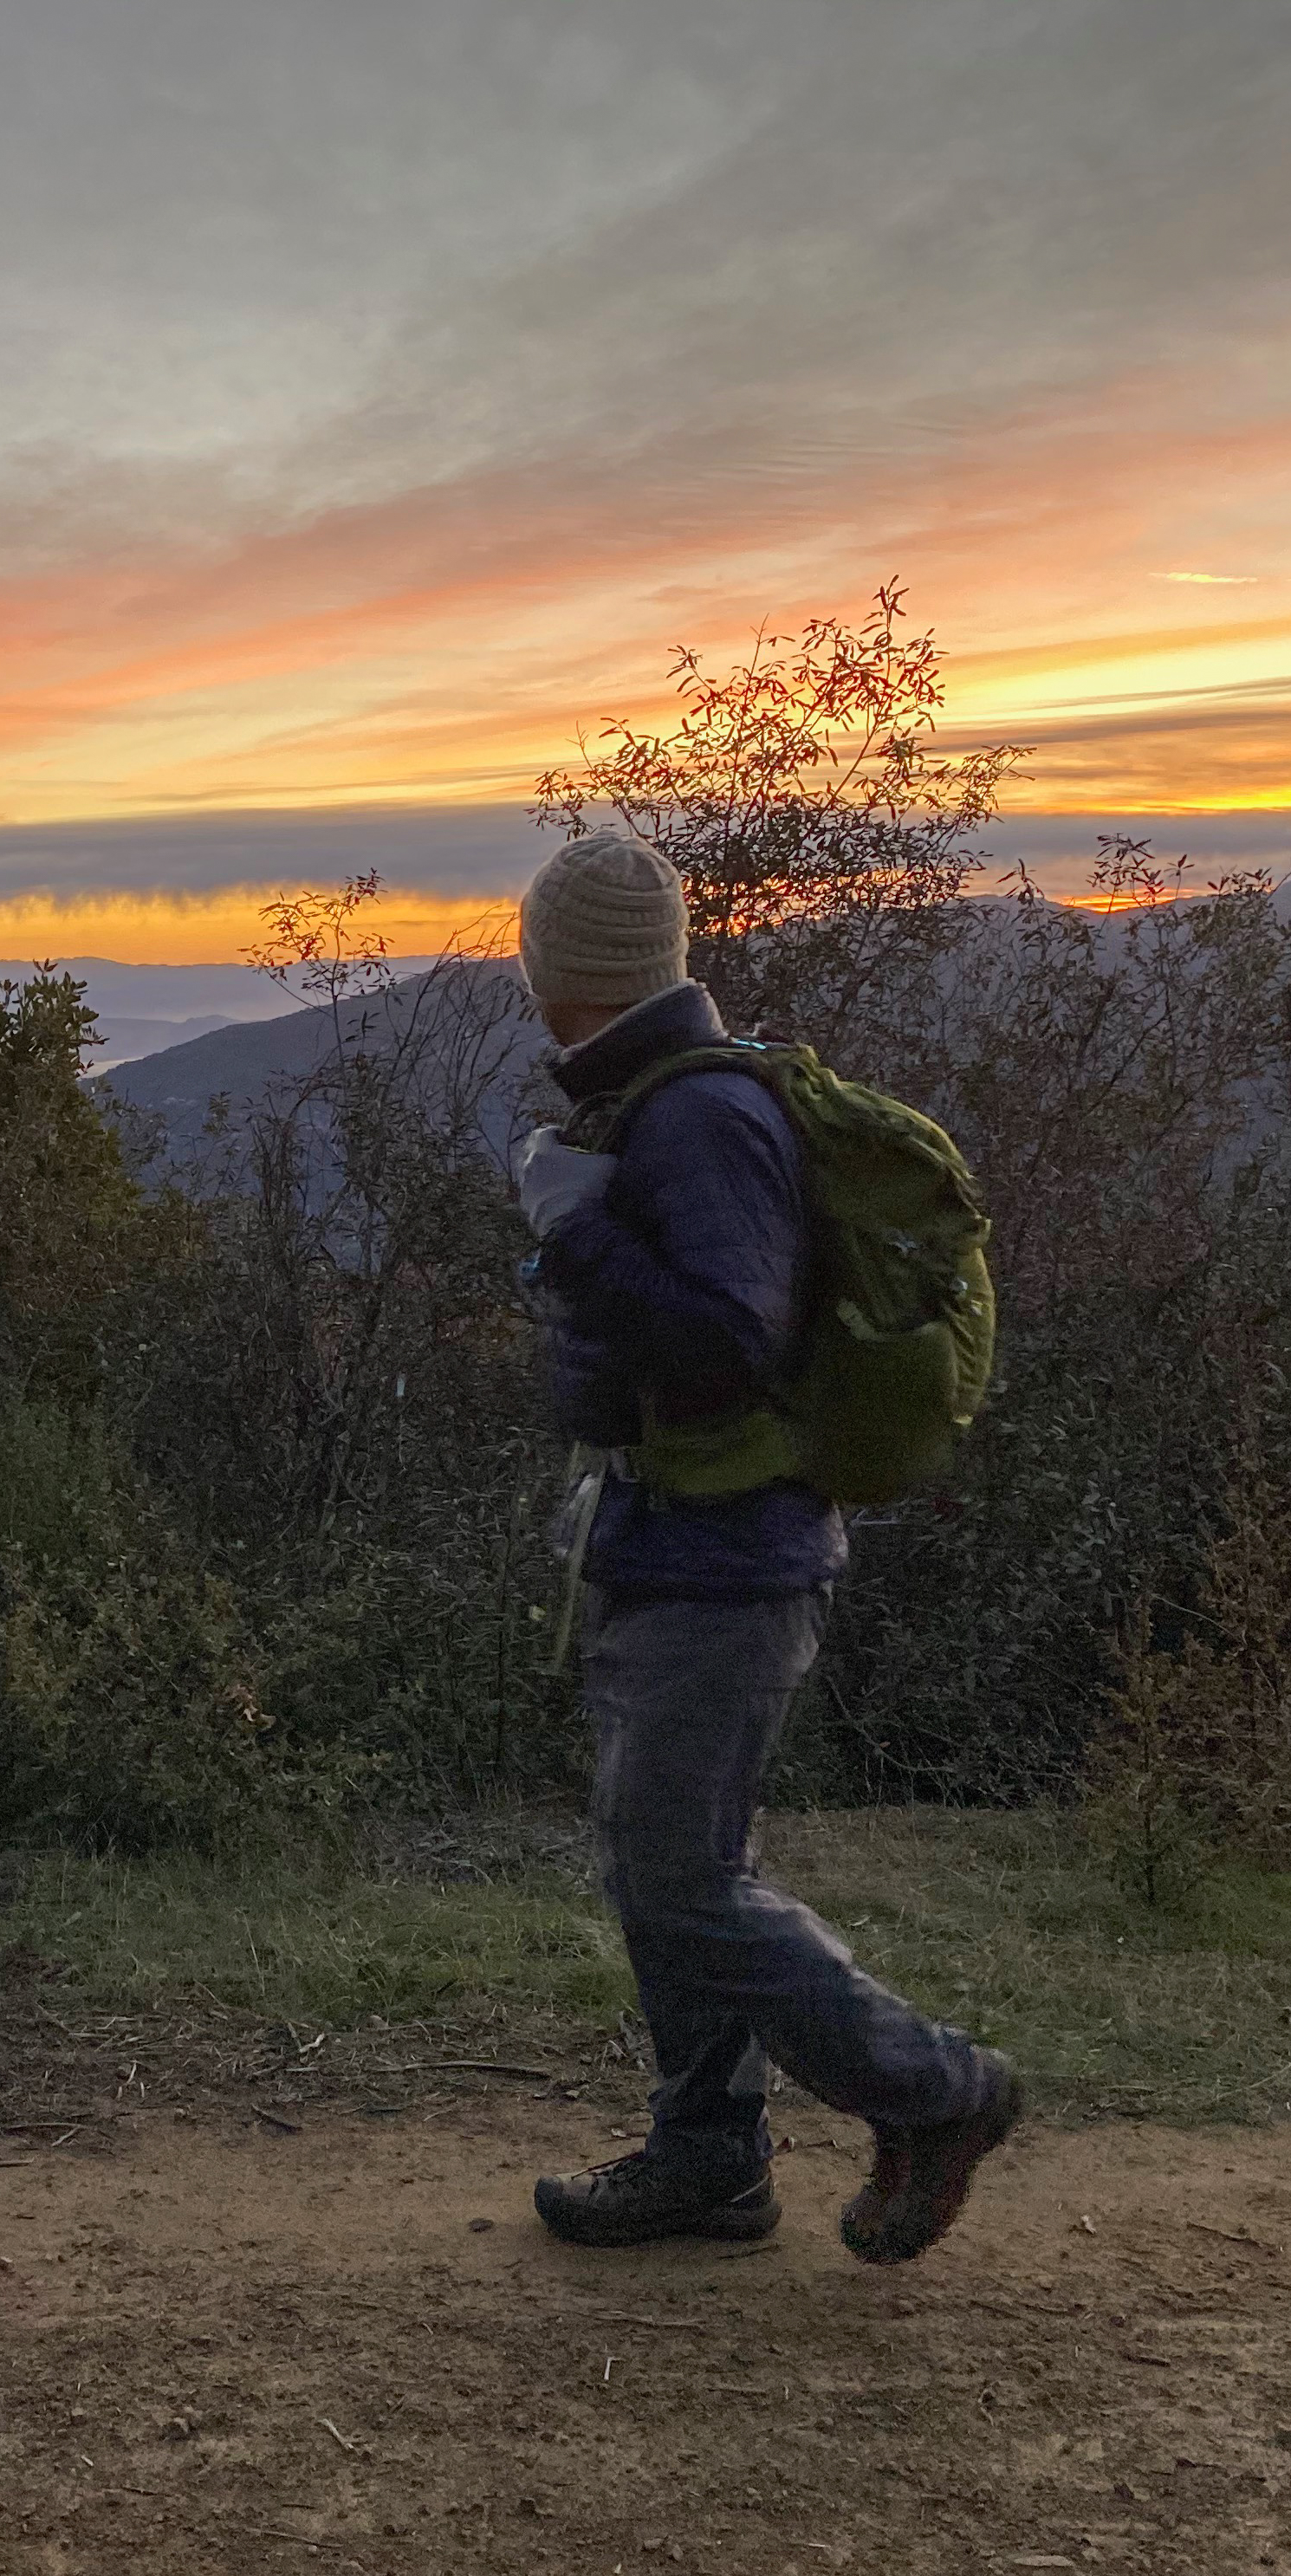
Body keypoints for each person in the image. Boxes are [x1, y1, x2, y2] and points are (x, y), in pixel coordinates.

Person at [505, 830, 1021, 2265]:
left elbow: (729, 1340)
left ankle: (937, 2089)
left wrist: (574, 1238)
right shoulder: (655, 1105)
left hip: (728, 1556)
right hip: (675, 1538)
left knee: (681, 1878)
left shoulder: (694, 1120)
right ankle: (710, 2155)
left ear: (557, 969)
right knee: (657, 1862)